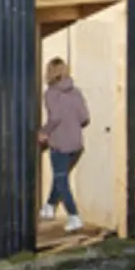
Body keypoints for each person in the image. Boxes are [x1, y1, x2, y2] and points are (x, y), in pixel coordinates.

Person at [40, 57, 91, 231]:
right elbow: (84, 118)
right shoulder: (76, 92)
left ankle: (74, 216)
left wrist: (43, 132)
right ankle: (48, 207)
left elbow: (55, 117)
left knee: (61, 180)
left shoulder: (51, 94)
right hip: (76, 144)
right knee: (60, 176)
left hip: (60, 143)